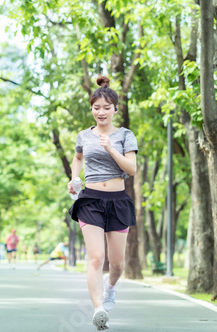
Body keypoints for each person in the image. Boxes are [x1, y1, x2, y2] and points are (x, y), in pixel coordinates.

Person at [68, 75, 138, 331]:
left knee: (117, 263)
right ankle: (98, 309)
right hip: (90, 201)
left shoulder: (125, 135)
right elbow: (78, 158)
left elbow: (131, 169)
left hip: (118, 201)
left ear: (115, 109)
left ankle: (110, 289)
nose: (101, 112)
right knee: (97, 258)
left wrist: (111, 149)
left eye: (106, 108)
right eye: (96, 107)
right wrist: (74, 177)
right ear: (91, 109)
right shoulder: (83, 136)